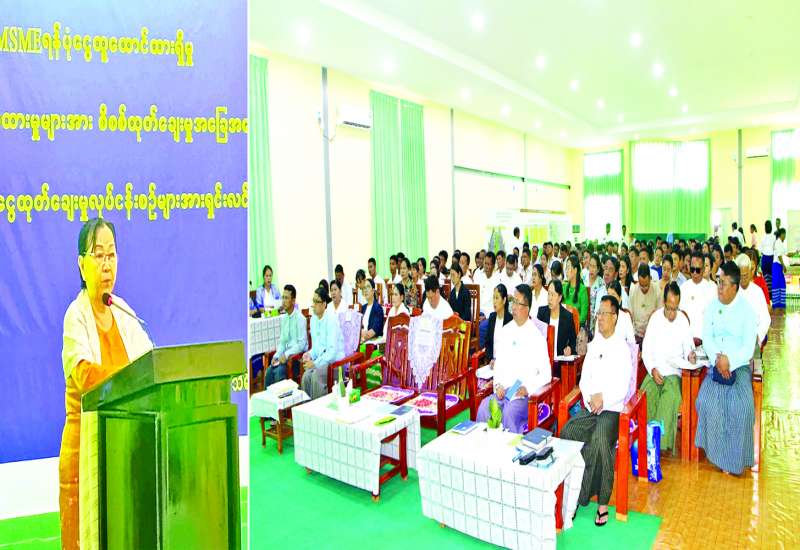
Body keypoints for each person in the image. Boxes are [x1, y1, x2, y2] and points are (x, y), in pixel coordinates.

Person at [60, 219, 154, 549]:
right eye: (98, 255)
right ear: (81, 264)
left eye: (112, 255)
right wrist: (130, 376)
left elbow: (152, 368)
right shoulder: (76, 316)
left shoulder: (123, 311)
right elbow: (86, 376)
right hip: (84, 451)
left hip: (121, 448)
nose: (106, 265)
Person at [560, 295, 634, 526]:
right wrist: (590, 397)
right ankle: (571, 493)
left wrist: (604, 398)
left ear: (615, 317)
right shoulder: (594, 345)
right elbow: (584, 380)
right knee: (568, 431)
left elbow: (623, 387)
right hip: (591, 406)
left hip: (612, 410)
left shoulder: (622, 348)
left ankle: (601, 502)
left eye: (603, 313)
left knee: (600, 439)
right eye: (598, 313)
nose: (599, 318)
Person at [695, 262, 758, 475]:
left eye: (722, 283)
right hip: (716, 364)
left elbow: (748, 348)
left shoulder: (747, 311)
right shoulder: (713, 306)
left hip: (738, 367)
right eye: (718, 282)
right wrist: (718, 359)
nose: (719, 287)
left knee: (741, 408)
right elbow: (707, 338)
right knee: (706, 402)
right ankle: (717, 456)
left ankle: (734, 460)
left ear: (734, 286)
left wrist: (729, 361)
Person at [475, 284, 551, 433]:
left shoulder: (536, 337)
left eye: (517, 303)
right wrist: (498, 385)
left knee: (509, 413)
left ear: (527, 308)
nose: (513, 307)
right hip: (504, 391)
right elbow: (499, 365)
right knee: (484, 408)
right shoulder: (506, 331)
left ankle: (510, 448)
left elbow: (546, 374)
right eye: (513, 302)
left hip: (522, 395)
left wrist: (527, 388)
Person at [639, 282, 695, 454]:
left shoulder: (682, 320)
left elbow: (689, 349)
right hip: (654, 370)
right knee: (647, 396)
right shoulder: (655, 319)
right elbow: (646, 350)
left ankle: (659, 446)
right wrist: (653, 369)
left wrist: (691, 355)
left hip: (673, 373)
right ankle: (644, 442)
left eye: (675, 309)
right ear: (664, 303)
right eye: (669, 308)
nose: (672, 314)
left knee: (668, 399)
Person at [301, 286, 346, 399]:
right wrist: (309, 354)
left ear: (324, 304)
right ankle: (307, 407)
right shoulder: (313, 320)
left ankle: (319, 407)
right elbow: (316, 348)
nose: (314, 305)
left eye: (317, 302)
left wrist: (315, 364)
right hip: (322, 362)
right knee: (306, 377)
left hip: (336, 363)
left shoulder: (331, 319)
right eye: (313, 301)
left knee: (316, 376)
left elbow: (332, 352)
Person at [265, 285, 308, 387]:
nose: (283, 301)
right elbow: (282, 342)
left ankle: (283, 396)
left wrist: (287, 354)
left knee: (279, 371)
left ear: (293, 301)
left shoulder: (300, 318)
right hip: (284, 358)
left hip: (297, 358)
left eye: (286, 298)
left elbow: (301, 345)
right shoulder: (284, 318)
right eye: (283, 297)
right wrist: (276, 356)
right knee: (269, 371)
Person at [735, 254, 770, 354]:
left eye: (745, 275)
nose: (743, 279)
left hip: (753, 342)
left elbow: (766, 319)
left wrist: (758, 336)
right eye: (741, 276)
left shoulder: (757, 292)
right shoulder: (731, 291)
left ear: (751, 272)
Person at [681, 252, 718, 345]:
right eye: (692, 269)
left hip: (705, 342)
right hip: (686, 341)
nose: (694, 273)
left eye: (697, 270)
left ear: (703, 269)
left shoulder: (712, 289)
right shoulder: (683, 288)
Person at [536, 280, 577, 357]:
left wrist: (570, 349)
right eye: (548, 294)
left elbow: (573, 341)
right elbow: (536, 337)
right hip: (543, 358)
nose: (549, 298)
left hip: (560, 360)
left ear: (559, 297)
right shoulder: (542, 312)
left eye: (552, 295)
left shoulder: (568, 317)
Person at [593, 280, 635, 345]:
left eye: (613, 295)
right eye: (608, 295)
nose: (610, 299)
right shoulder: (600, 316)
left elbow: (632, 343)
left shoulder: (625, 317)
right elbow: (596, 340)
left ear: (620, 299)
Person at [629, 264, 659, 341]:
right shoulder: (633, 290)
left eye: (646, 285)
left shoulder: (656, 289)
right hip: (636, 334)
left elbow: (659, 312)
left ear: (650, 279)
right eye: (641, 285)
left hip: (652, 334)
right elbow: (630, 315)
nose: (644, 288)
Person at [483, 284, 513, 363]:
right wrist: (491, 359)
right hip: (491, 362)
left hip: (505, 363)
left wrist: (499, 361)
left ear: (504, 300)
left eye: (497, 298)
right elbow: (488, 342)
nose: (494, 301)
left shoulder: (510, 320)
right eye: (493, 298)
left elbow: (510, 348)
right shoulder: (492, 317)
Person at [562, 255, 589, 329]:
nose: (566, 271)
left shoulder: (582, 290)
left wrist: (572, 323)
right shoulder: (564, 287)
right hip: (563, 325)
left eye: (568, 268)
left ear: (575, 270)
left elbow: (583, 317)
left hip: (576, 327)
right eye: (566, 268)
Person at [359, 278, 385, 344]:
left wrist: (361, 334)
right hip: (362, 341)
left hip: (373, 343)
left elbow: (374, 331)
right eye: (364, 288)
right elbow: (358, 327)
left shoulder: (378, 308)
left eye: (368, 287)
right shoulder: (363, 308)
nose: (365, 290)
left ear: (373, 291)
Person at [772, 228, 788, 310]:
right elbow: (779, 256)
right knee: (776, 285)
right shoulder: (777, 242)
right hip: (776, 266)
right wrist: (784, 265)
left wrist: (795, 253)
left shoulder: (781, 243)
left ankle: (781, 304)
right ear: (782, 234)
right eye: (784, 234)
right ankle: (776, 305)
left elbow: (786, 253)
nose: (785, 236)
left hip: (779, 266)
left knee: (782, 285)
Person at [760, 220, 775, 292]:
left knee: (765, 279)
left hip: (764, 259)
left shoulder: (763, 237)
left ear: (765, 228)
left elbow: (761, 250)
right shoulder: (774, 237)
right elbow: (775, 249)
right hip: (772, 259)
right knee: (772, 278)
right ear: (771, 227)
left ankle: (766, 293)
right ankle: (772, 293)